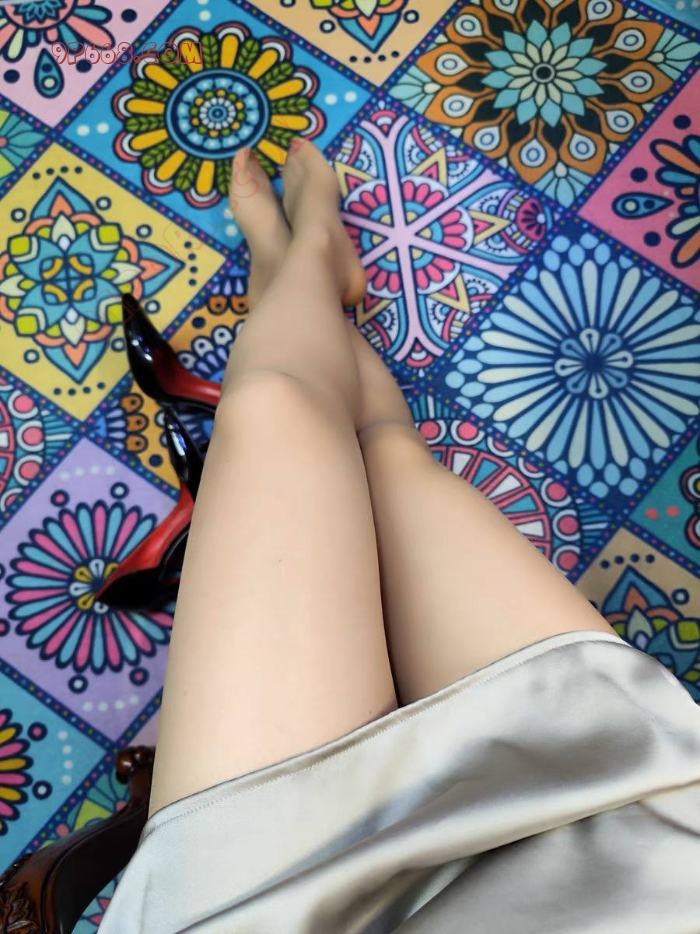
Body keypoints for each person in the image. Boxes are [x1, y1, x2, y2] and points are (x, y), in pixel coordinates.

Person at [100, 142, 700, 933]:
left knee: (275, 405)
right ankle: (306, 258)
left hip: (274, 899)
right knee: (382, 455)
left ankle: (298, 263)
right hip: (617, 833)